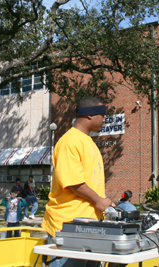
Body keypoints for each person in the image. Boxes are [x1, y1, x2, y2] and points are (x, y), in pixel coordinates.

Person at [42, 96, 115, 267]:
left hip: (89, 226)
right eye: (102, 115)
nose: (104, 120)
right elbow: (73, 183)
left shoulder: (89, 142)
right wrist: (99, 201)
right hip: (68, 227)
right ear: (89, 115)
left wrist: (104, 200)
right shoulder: (70, 141)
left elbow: (88, 181)